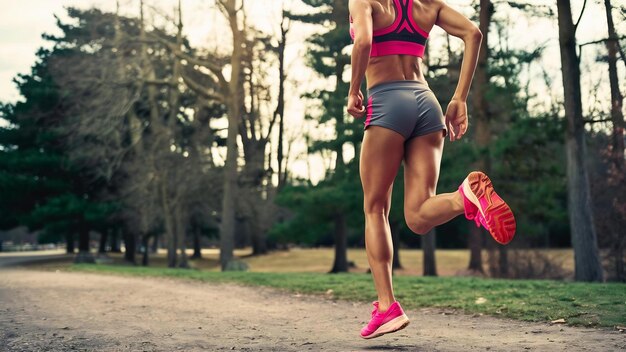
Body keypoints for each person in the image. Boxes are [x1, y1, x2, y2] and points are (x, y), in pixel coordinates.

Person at [347, 0, 516, 339]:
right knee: (418, 216)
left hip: (386, 101)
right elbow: (473, 32)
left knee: (375, 208)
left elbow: (363, 42)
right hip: (427, 104)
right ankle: (463, 198)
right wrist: (460, 98)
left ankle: (386, 306)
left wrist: (353, 91)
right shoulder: (428, 4)